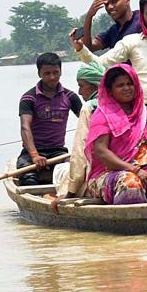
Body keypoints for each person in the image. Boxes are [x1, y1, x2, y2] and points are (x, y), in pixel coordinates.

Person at [85, 64, 147, 204]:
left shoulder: (145, 113)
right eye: (120, 85)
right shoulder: (102, 115)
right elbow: (101, 152)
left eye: (130, 84)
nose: (126, 88)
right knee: (131, 185)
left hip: (145, 170)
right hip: (109, 173)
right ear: (110, 91)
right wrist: (134, 169)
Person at [17, 53, 82, 186]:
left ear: (61, 72)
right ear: (39, 73)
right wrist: (35, 155)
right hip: (32, 152)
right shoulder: (29, 98)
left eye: (55, 72)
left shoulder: (70, 97)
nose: (52, 77)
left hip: (58, 152)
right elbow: (25, 127)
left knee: (75, 174)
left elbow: (88, 121)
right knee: (28, 178)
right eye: (47, 73)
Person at [51, 61, 106, 206]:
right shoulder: (124, 102)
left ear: (94, 85)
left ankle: (54, 196)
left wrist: (70, 193)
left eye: (81, 86)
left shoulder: (89, 107)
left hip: (98, 175)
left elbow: (80, 153)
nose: (80, 92)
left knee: (61, 171)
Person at [73, 0, 142, 52]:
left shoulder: (141, 20)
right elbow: (89, 48)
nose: (109, 7)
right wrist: (89, 16)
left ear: (127, 0)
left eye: (114, 2)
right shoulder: (113, 31)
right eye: (106, 4)